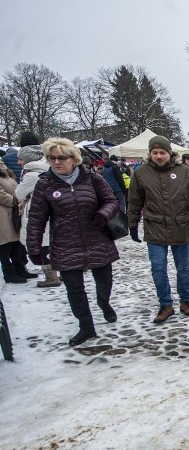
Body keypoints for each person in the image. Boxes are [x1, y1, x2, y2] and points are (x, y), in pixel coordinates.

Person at [26, 138, 120, 345]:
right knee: (74, 288)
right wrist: (33, 246)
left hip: (97, 238)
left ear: (74, 159)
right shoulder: (45, 184)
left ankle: (104, 303)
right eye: (52, 158)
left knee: (104, 281)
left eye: (62, 158)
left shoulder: (92, 178)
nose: (56, 162)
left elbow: (111, 200)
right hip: (65, 243)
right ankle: (86, 327)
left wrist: (103, 214)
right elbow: (36, 218)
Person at [127, 135, 189, 323]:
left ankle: (186, 301)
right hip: (155, 227)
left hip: (181, 226)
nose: (159, 156)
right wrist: (132, 224)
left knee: (183, 269)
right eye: (155, 153)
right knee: (158, 268)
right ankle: (165, 304)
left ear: (169, 153)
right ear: (150, 154)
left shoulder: (185, 172)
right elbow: (134, 201)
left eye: (162, 152)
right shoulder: (141, 173)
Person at [16, 145, 59, 287]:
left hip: (37, 211)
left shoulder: (31, 175)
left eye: (21, 159)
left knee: (43, 244)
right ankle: (61, 273)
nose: (18, 163)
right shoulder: (49, 170)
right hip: (51, 211)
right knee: (52, 243)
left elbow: (19, 194)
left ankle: (52, 277)